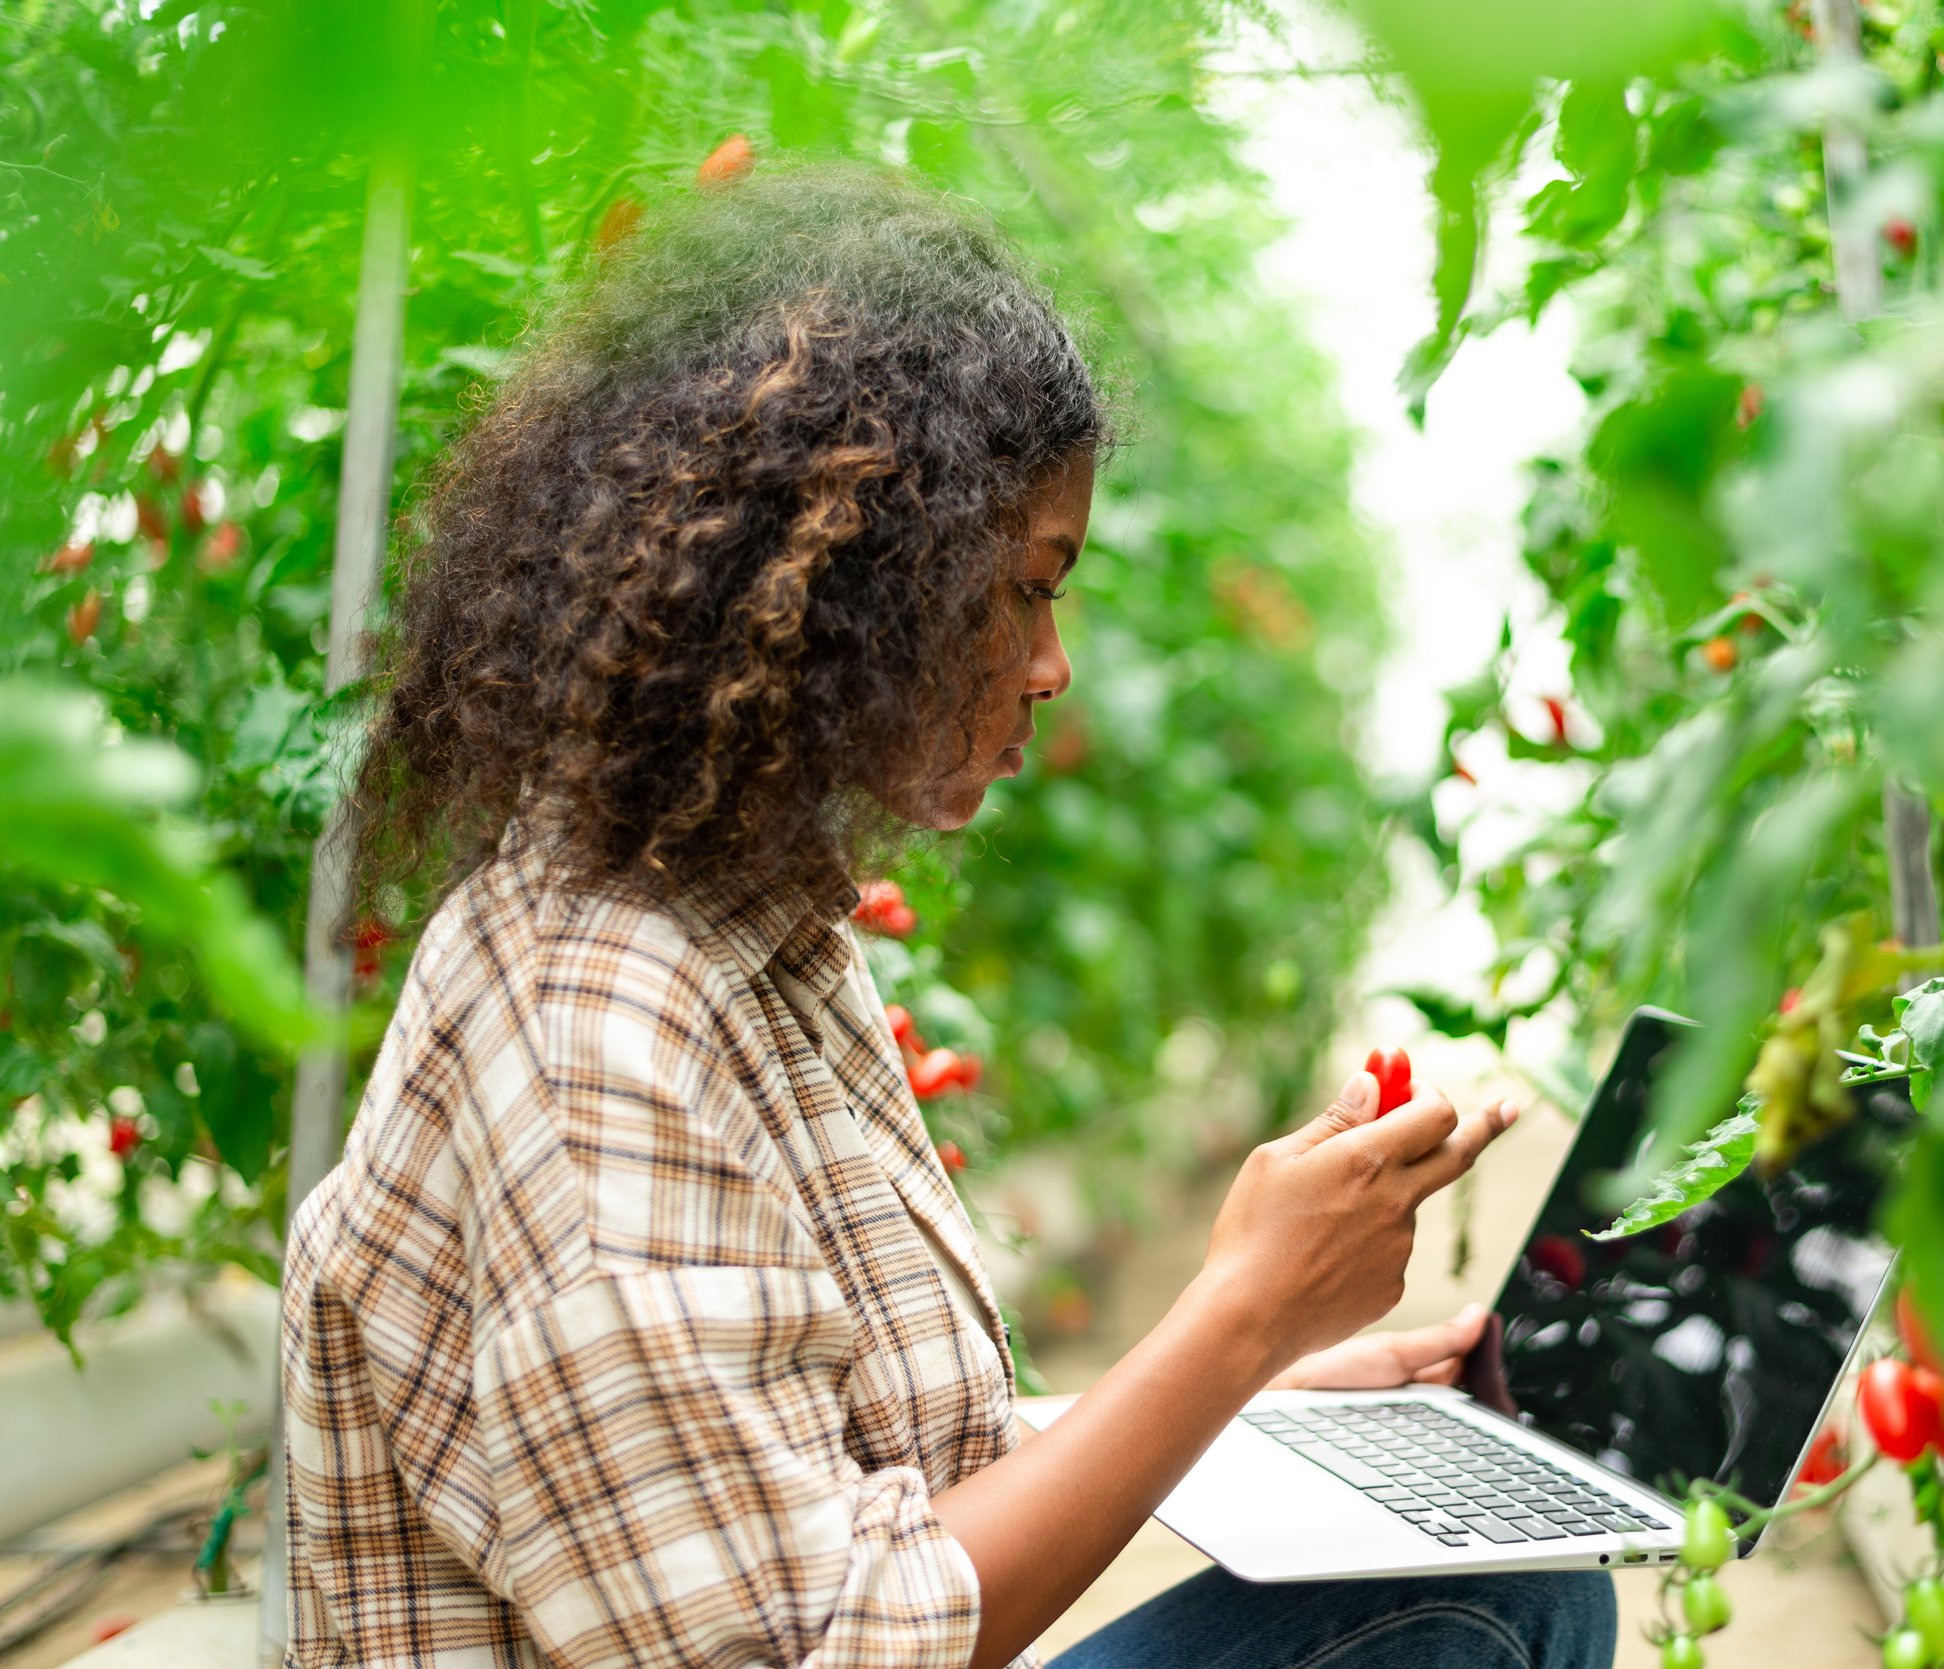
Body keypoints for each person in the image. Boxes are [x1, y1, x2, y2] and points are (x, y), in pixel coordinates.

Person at [280, 165, 1615, 1669]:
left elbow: (827, 1477)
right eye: (1023, 589)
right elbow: (808, 1644)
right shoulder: (597, 1011)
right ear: (852, 584)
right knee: (1493, 1608)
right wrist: (1234, 1314)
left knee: (1514, 1574)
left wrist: (1264, 1377)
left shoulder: (747, 932)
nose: (1051, 665)